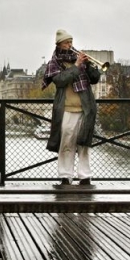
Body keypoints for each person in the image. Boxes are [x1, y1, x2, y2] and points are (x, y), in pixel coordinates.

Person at [41, 29, 101, 186]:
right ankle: (65, 175)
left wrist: (88, 66)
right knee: (66, 144)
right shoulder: (54, 63)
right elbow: (60, 80)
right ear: (59, 44)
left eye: (71, 42)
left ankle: (85, 176)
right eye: (67, 42)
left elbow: (95, 79)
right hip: (66, 109)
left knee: (84, 144)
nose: (70, 45)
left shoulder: (80, 61)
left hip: (85, 109)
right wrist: (76, 66)